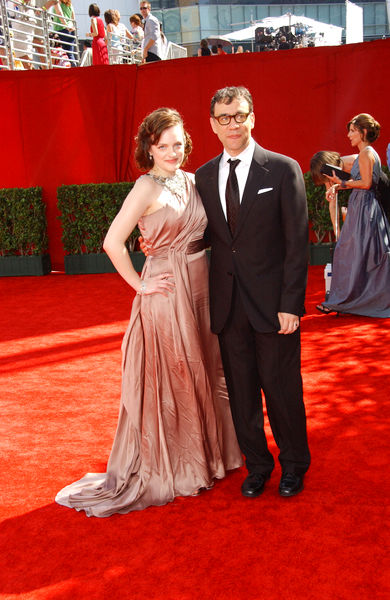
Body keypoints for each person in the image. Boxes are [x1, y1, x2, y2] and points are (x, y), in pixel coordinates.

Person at [55, 108, 242, 517]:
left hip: (200, 287)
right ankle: (181, 466)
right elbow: (112, 242)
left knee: (206, 369)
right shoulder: (145, 187)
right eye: (163, 146)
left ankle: (213, 456)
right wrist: (141, 284)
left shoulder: (194, 181)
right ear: (149, 149)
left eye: (178, 144)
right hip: (166, 291)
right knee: (176, 374)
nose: (173, 152)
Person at [195, 86, 311, 498]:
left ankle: (294, 466)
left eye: (239, 115)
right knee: (242, 395)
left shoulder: (282, 169)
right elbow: (209, 235)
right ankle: (257, 465)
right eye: (224, 118)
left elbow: (298, 242)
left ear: (253, 118)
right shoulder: (205, 176)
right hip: (228, 308)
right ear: (212, 124)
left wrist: (291, 304)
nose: (233, 124)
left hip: (274, 307)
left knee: (282, 392)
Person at [315, 113, 390, 317]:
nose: (348, 135)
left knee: (353, 253)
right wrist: (339, 187)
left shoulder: (366, 153)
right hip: (362, 206)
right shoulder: (365, 153)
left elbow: (366, 184)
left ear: (363, 132)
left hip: (366, 208)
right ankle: (345, 300)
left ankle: (347, 300)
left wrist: (342, 184)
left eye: (352, 131)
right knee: (355, 253)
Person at [52, 0, 77, 66]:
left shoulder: (58, 2)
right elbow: (73, 16)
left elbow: (60, 13)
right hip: (71, 30)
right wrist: (72, 26)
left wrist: (65, 25)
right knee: (70, 53)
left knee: (60, 53)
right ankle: (75, 69)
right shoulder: (70, 4)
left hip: (61, 29)